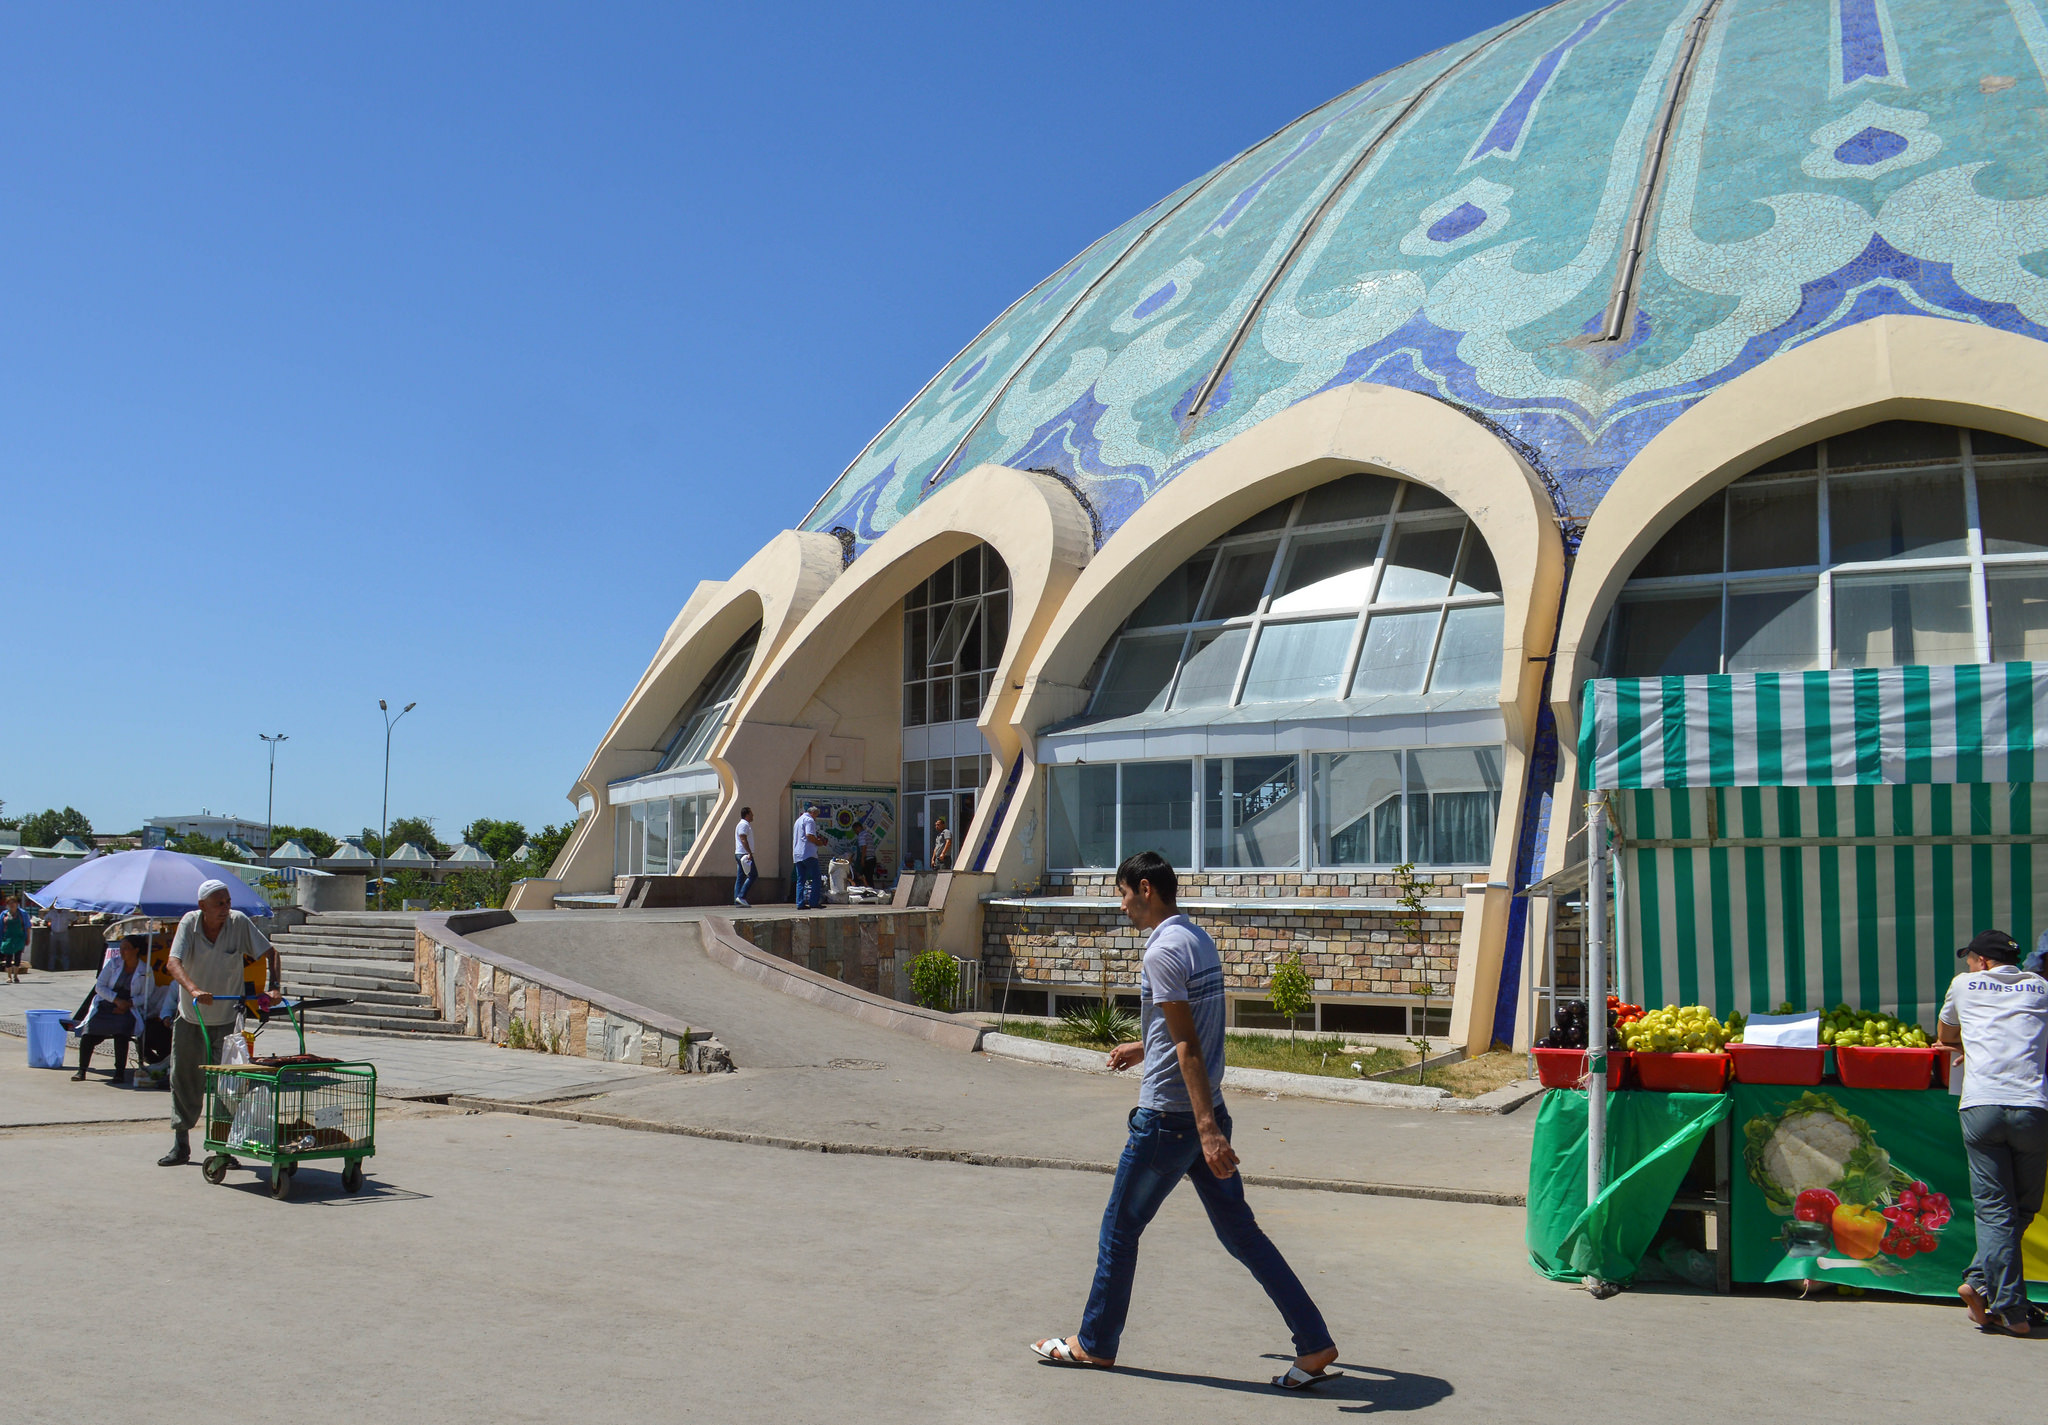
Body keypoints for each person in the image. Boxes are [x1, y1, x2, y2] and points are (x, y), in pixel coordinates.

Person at [1029, 850, 1339, 1389]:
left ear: (1146, 889)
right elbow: (1182, 1032)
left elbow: (1188, 1043)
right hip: (1201, 1111)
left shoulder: (1162, 952)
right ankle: (1314, 1343)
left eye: (1122, 892)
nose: (1120, 904)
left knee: (1119, 1231)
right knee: (1243, 1235)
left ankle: (1094, 1344)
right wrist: (1141, 1046)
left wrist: (1206, 1130)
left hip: (1173, 1121)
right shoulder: (1194, 938)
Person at [1939, 929, 2048, 1336]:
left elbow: (1946, 1034)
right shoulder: (2039, 986)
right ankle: (1990, 1291)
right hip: (2033, 1107)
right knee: (2019, 1210)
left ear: (1983, 962)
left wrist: (1968, 1042)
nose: (1967, 965)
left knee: (1994, 1211)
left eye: (1970, 958)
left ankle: (2003, 1304)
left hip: (1982, 1104)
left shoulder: (1963, 985)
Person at [157, 880, 278, 1167]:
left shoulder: (239, 923)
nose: (226, 908)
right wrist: (194, 990)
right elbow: (174, 964)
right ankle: (181, 1144)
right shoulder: (189, 923)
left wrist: (274, 987)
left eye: (227, 902)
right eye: (219, 904)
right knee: (184, 1080)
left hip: (227, 1020)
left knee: (230, 1086)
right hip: (191, 1017)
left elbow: (271, 953)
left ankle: (225, 1147)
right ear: (203, 907)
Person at [73, 937, 148, 1083]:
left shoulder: (145, 970)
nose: (122, 951)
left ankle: (119, 1072)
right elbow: (99, 987)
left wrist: (129, 1003)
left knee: (121, 1033)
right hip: (107, 1003)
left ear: (136, 950)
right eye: (121, 948)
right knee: (89, 1033)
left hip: (128, 1007)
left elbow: (146, 995)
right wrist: (116, 1000)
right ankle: (81, 1070)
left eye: (126, 948)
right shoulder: (113, 964)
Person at [790, 803, 828, 910]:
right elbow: (809, 836)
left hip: (797, 854)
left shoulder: (798, 821)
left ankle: (800, 903)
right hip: (808, 853)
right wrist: (819, 842)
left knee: (800, 879)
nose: (816, 818)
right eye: (816, 815)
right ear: (813, 813)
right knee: (816, 878)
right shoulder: (809, 820)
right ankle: (813, 902)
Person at [734, 806, 757, 908]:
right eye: (751, 814)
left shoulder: (744, 824)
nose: (753, 815)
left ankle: (737, 900)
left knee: (741, 877)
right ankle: (741, 897)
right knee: (753, 875)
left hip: (740, 853)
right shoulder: (743, 824)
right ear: (747, 814)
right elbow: (743, 839)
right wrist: (749, 852)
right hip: (744, 854)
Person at [0, 893, 26, 980]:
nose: (11, 905)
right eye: (9, 903)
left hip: (19, 938)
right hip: (7, 938)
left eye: (13, 903)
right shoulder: (4, 915)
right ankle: (9, 976)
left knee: (18, 957)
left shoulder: (22, 914)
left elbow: (27, 926)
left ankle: (16, 975)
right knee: (8, 958)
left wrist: (27, 938)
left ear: (17, 904)